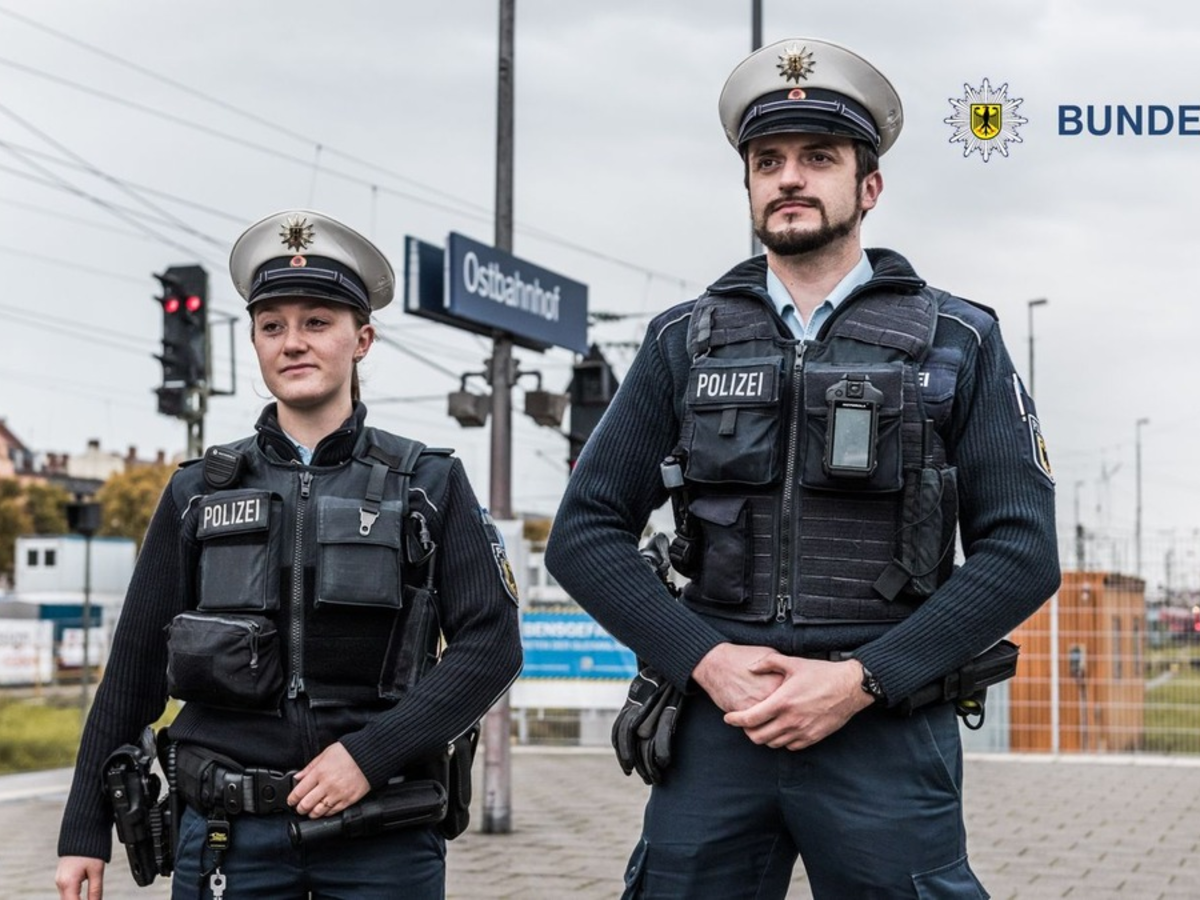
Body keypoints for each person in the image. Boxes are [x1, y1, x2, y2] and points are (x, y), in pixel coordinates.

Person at [545, 37, 1060, 898]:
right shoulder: (683, 342)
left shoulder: (958, 339)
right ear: (749, 185)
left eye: (818, 157)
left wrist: (862, 681)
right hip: (718, 726)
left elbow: (1023, 552)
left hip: (883, 733)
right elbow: (584, 534)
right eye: (768, 161)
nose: (789, 178)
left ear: (869, 186)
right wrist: (706, 659)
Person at [56, 210, 523, 900]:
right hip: (230, 838)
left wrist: (369, 755)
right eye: (272, 326)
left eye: (317, 322)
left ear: (362, 339)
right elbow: (134, 666)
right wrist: (82, 831)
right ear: (253, 341)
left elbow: (492, 645)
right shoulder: (198, 491)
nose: (293, 342)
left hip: (382, 835)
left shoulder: (428, 483)